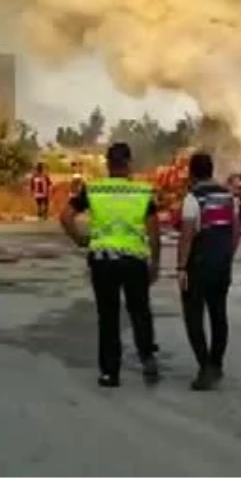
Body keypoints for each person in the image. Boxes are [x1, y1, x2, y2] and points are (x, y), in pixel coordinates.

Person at [60, 142, 161, 388]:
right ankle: (147, 358)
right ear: (128, 163)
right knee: (140, 311)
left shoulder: (93, 190)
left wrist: (79, 238)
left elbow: (65, 216)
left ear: (107, 164)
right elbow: (154, 232)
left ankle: (110, 373)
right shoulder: (142, 192)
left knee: (108, 316)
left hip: (103, 260)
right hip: (134, 261)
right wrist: (155, 262)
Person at [176, 152, 241, 391]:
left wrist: (181, 267)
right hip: (222, 264)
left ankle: (205, 367)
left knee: (194, 316)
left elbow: (187, 236)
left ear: (192, 173)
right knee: (218, 314)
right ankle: (216, 364)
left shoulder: (193, 199)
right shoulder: (229, 197)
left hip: (199, 265)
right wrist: (227, 257)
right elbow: (235, 233)